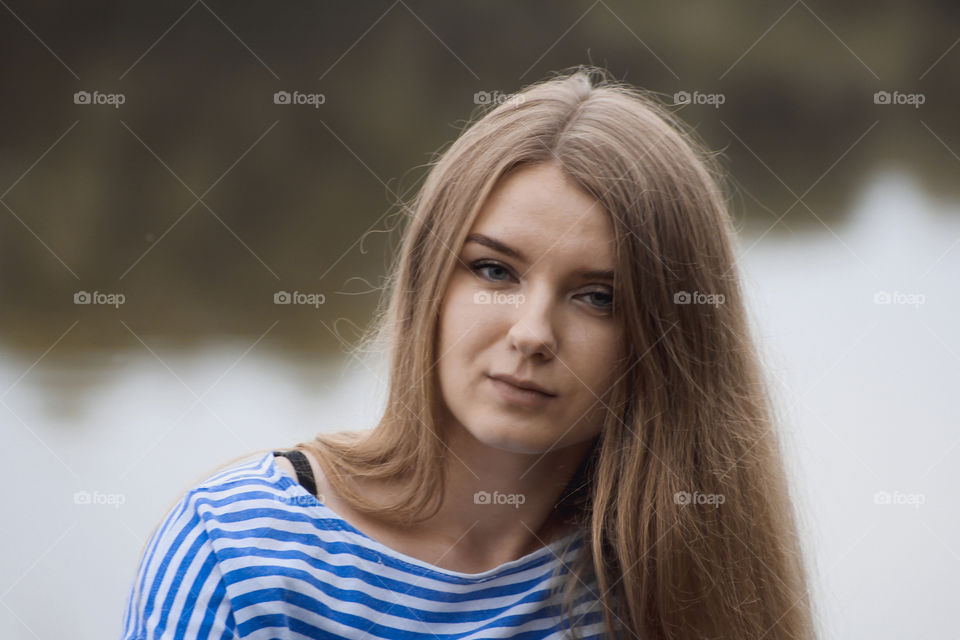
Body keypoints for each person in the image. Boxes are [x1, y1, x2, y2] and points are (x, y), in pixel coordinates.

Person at [119, 65, 816, 639]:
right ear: (431, 285)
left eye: (599, 297)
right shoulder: (239, 552)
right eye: (494, 271)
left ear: (667, 344)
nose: (533, 332)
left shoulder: (666, 594)